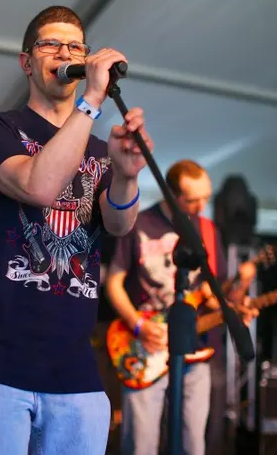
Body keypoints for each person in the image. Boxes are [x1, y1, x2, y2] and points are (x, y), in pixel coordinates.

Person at [0, 5, 154, 455]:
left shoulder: (97, 147)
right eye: (51, 43)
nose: (65, 52)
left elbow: (118, 223)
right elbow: (37, 186)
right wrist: (90, 103)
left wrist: (128, 173)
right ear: (26, 61)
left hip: (75, 375)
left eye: (75, 45)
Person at [106, 159, 257, 455]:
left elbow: (214, 295)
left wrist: (239, 298)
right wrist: (139, 325)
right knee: (141, 445)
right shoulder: (140, 223)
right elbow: (113, 283)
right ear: (172, 196)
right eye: (193, 199)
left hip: (196, 349)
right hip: (146, 346)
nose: (201, 206)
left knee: (193, 445)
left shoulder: (208, 230)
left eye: (206, 198)